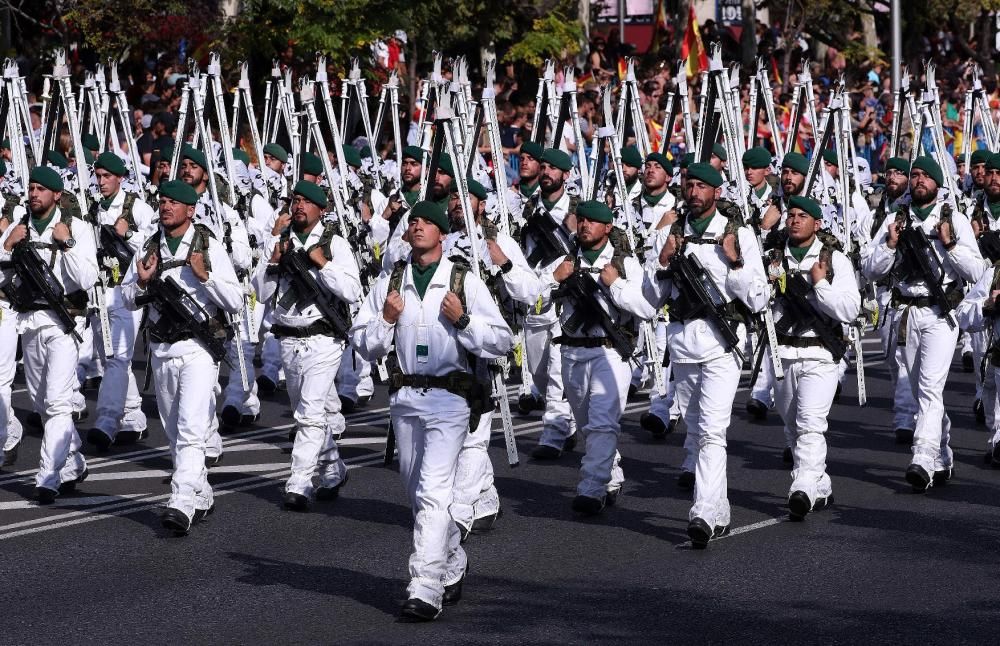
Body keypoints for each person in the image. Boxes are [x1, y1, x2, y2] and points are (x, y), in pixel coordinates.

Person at [350, 200, 513, 621]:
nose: (418, 227)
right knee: (417, 497)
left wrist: (463, 323)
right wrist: (385, 321)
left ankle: (425, 586)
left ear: (442, 233)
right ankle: (453, 560)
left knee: (434, 491)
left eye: (427, 222)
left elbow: (499, 339)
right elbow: (362, 344)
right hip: (404, 399)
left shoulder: (463, 280)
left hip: (449, 400)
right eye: (414, 222)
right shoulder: (390, 281)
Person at [643, 163, 769, 547]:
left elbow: (759, 297)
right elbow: (650, 300)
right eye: (689, 184)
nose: (694, 192)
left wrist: (736, 263)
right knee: (696, 429)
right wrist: (661, 261)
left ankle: (704, 510)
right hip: (683, 344)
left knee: (713, 429)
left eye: (702, 186)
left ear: (716, 192)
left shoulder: (738, 234)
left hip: (721, 344)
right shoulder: (671, 230)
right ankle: (719, 510)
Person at [121, 180, 243, 533]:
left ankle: (181, 502)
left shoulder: (207, 245)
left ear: (191, 210)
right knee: (174, 431)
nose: (165, 206)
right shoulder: (149, 245)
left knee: (190, 428)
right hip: (161, 348)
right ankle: (200, 491)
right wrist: (141, 283)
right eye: (162, 200)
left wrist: (205, 277)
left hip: (198, 349)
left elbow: (235, 299)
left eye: (174, 202)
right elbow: (127, 297)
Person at [862, 156, 986, 492]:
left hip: (940, 312)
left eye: (924, 176)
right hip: (906, 312)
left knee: (931, 387)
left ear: (936, 183)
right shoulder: (895, 218)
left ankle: (923, 456)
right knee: (920, 390)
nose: (918, 180)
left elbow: (977, 273)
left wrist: (951, 244)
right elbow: (870, 269)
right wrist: (889, 245)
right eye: (913, 175)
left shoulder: (953, 218)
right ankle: (943, 453)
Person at [443, 176, 542, 538]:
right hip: (444, 348)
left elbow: (531, 292)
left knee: (473, 433)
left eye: (465, 196)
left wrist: (504, 264)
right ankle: (485, 494)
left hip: (485, 346)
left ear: (481, 204)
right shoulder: (439, 240)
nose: (457, 202)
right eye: (453, 195)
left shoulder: (500, 241)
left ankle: (458, 514)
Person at [543, 200, 654, 514]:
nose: (585, 226)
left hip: (610, 353)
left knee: (603, 425)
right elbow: (536, 303)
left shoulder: (625, 263)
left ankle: (591, 488)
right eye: (581, 220)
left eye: (593, 221)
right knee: (588, 426)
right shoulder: (565, 258)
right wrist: (555, 278)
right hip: (571, 352)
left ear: (607, 227)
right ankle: (611, 471)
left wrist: (614, 285)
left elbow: (648, 308)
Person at [258, 180, 361, 510]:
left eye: (306, 201)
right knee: (308, 412)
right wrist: (272, 261)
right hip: (288, 338)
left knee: (310, 412)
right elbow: (260, 294)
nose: (299, 205)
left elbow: (351, 290)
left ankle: (299, 482)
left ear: (321, 209)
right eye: (295, 200)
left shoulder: (334, 244)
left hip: (324, 338)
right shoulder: (280, 242)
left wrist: (323, 264)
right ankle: (333, 470)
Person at [0, 166, 98, 502]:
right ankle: (72, 460)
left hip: (64, 323)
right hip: (29, 321)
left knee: (56, 402)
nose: (33, 194)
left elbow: (88, 278)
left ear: (57, 195)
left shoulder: (78, 228)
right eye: (31, 188)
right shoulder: (19, 227)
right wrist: (7, 247)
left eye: (41, 189)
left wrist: (66, 244)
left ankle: (48, 477)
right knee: (41, 402)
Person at [765, 196, 860, 518]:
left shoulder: (834, 260)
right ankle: (821, 484)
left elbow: (849, 309)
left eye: (802, 216)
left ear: (817, 223)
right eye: (790, 215)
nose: (794, 220)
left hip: (821, 353)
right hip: (782, 351)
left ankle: (802, 486)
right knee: (791, 427)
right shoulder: (774, 257)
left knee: (810, 424)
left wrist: (820, 285)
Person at [86, 152, 158, 450]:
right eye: (98, 176)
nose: (101, 182)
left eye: (107, 177)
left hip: (127, 290)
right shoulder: (91, 207)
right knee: (110, 358)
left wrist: (128, 234)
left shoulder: (136, 207)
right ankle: (132, 416)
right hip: (99, 291)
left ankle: (106, 420)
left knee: (117, 357)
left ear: (120, 178)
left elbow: (156, 243)